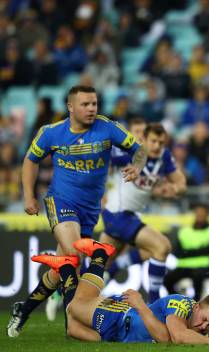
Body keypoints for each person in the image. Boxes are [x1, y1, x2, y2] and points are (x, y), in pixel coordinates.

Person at [7, 85, 146, 338]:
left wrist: (137, 167)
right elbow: (30, 160)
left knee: (63, 268)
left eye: (94, 103)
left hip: (90, 210)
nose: (92, 108)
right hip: (61, 201)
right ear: (71, 107)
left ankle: (23, 308)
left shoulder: (107, 128)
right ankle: (73, 321)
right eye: (85, 104)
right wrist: (28, 195)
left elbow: (140, 150)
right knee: (73, 253)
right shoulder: (52, 133)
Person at [29, 239, 209, 345]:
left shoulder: (200, 333)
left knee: (71, 328)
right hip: (117, 317)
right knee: (73, 307)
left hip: (116, 336)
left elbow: (180, 337)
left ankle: (66, 267)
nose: (204, 326)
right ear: (196, 306)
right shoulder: (183, 303)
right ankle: (100, 255)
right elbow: (175, 337)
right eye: (204, 319)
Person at [101, 123, 186, 302]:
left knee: (102, 263)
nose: (157, 146)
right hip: (117, 213)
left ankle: (67, 292)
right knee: (162, 246)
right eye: (153, 141)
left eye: (161, 143)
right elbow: (101, 160)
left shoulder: (164, 156)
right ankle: (154, 302)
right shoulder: (130, 153)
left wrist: (173, 189)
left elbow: (181, 183)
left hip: (131, 215)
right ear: (143, 140)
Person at [164, 203, 209, 301]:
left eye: (202, 213)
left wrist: (188, 252)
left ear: (207, 215)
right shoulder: (184, 231)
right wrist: (201, 249)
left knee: (198, 276)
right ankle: (178, 301)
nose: (199, 216)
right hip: (184, 266)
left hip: (205, 267)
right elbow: (177, 252)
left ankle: (196, 304)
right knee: (167, 279)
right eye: (197, 213)